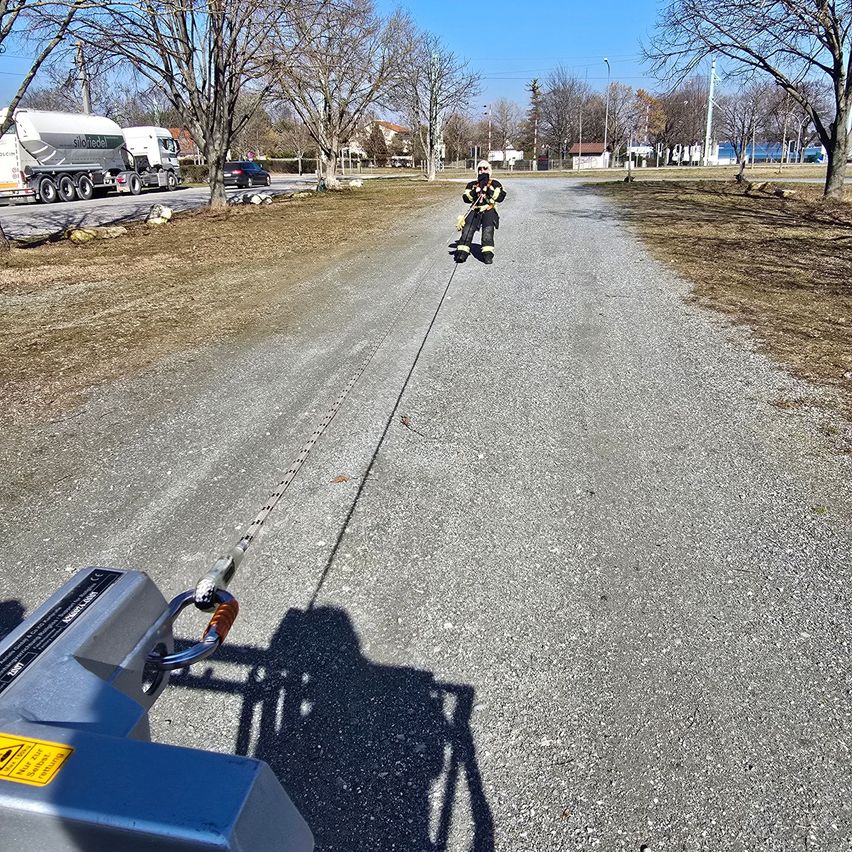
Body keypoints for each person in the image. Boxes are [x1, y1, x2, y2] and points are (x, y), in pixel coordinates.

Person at [455, 160, 507, 265]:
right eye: (480, 169)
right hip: (475, 209)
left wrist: (488, 191)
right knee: (467, 231)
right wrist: (476, 192)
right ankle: (462, 253)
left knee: (487, 232)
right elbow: (466, 197)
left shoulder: (495, 183)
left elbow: (500, 197)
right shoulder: (472, 184)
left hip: (488, 209)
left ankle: (488, 255)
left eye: (485, 168)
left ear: (489, 170)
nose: (482, 171)